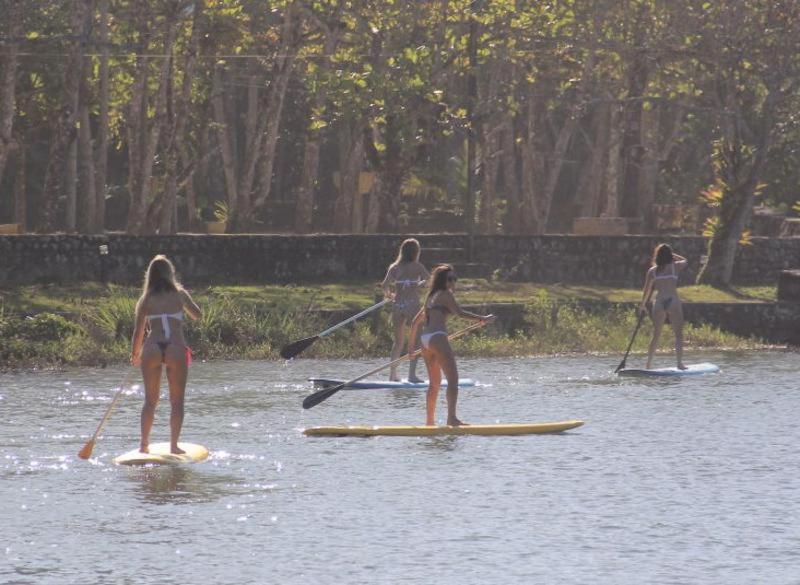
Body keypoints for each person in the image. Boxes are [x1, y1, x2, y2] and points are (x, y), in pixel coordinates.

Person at [130, 255, 201, 454]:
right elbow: (197, 315)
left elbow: (138, 332)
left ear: (150, 276)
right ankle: (173, 446)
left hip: (152, 348)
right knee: (177, 401)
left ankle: (144, 445)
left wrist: (135, 354)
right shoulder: (180, 294)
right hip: (176, 347)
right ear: (170, 273)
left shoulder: (146, 299)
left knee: (150, 401)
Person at [408, 264, 494, 426]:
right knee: (453, 380)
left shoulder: (430, 296)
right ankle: (452, 419)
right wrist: (483, 318)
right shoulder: (446, 294)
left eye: (455, 279)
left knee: (434, 384)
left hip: (425, 340)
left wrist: (411, 349)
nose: (453, 282)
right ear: (443, 280)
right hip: (438, 338)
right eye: (450, 279)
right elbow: (460, 313)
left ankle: (429, 422)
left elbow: (414, 323)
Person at [381, 238, 429, 382]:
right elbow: (429, 279)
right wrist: (420, 284)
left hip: (397, 306)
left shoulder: (394, 267)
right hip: (412, 306)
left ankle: (392, 375)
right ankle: (412, 375)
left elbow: (384, 286)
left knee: (398, 342)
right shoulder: (417, 266)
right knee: (416, 341)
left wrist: (390, 295)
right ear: (416, 252)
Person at [640, 244, 688, 370]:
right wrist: (674, 255)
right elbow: (685, 260)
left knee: (656, 334)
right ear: (670, 256)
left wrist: (643, 305)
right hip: (673, 300)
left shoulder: (652, 271)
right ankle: (679, 363)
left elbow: (646, 290)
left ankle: (648, 364)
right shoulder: (675, 266)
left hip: (659, 301)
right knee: (678, 334)